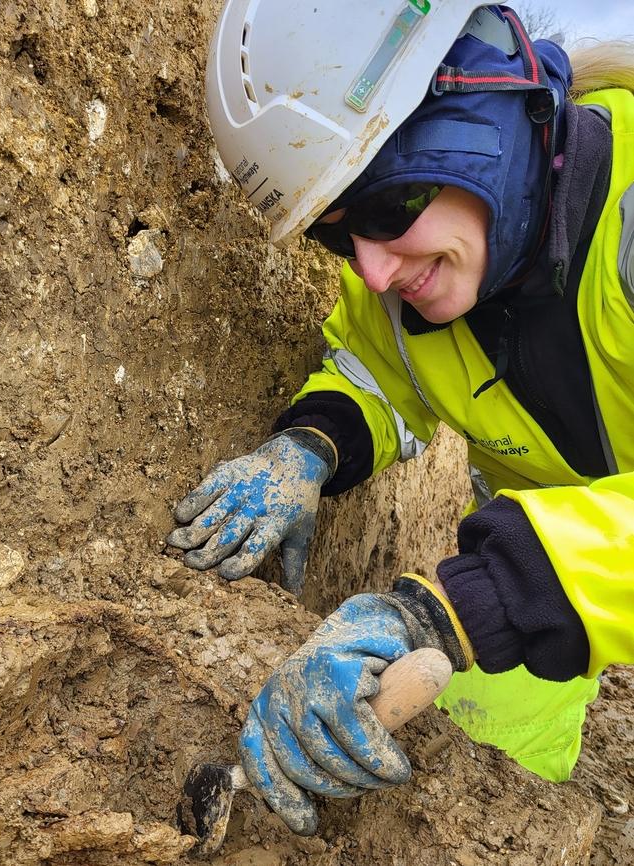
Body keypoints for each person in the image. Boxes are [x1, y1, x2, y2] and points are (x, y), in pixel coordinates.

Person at [168, 0, 634, 837]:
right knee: (490, 771)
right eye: (336, 238)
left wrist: (455, 609)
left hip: (541, 570)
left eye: (386, 208)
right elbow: (378, 373)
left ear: (485, 112)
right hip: (544, 569)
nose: (373, 273)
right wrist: (309, 446)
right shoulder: (419, 265)